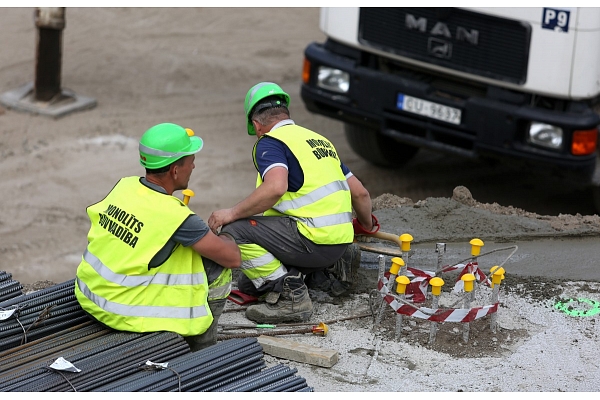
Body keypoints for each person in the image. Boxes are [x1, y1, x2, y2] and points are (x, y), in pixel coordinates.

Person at [208, 82, 379, 324]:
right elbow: (360, 194)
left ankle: (292, 299)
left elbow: (276, 188)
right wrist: (365, 226)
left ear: (256, 125)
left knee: (236, 231)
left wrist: (232, 213)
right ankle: (329, 269)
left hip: (311, 240)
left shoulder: (270, 142)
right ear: (286, 114)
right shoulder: (320, 141)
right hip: (338, 242)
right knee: (249, 283)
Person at [74, 122, 241, 351]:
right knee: (217, 268)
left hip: (90, 296)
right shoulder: (175, 216)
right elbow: (232, 258)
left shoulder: (125, 186)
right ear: (174, 170)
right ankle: (202, 345)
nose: (193, 166)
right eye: (191, 161)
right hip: (122, 313)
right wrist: (231, 231)